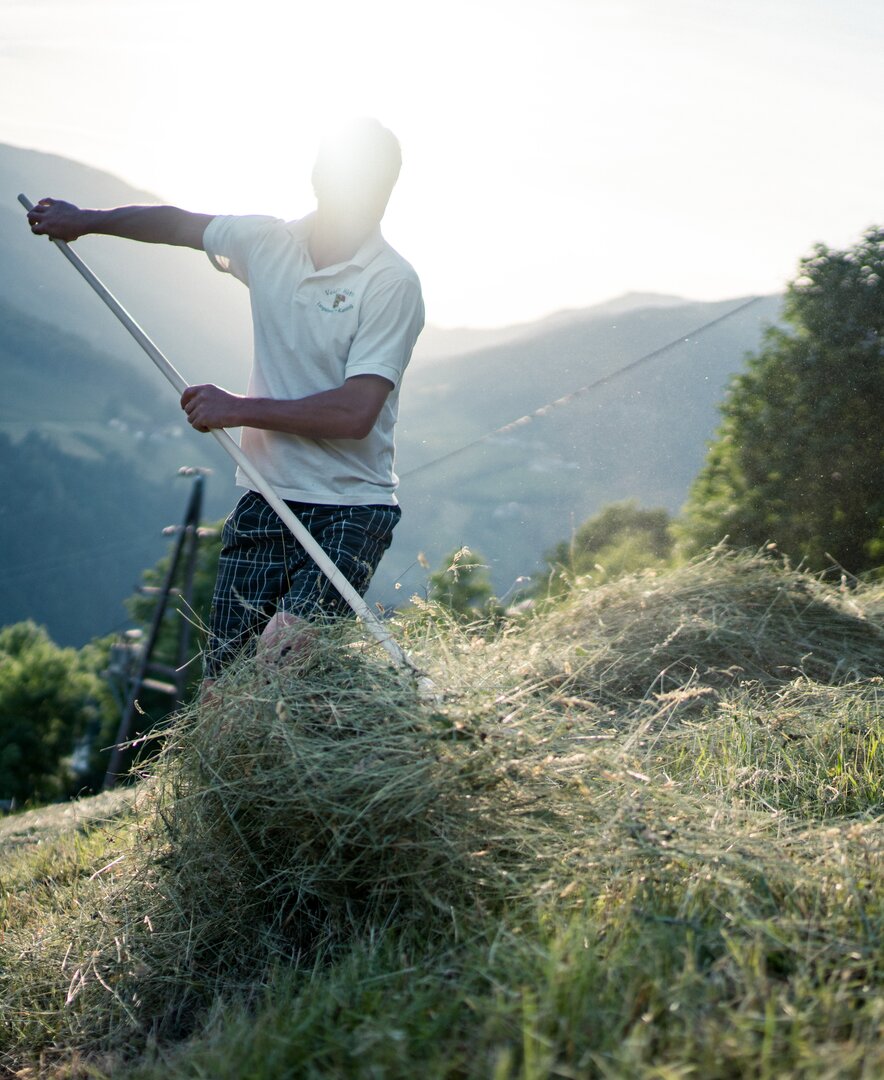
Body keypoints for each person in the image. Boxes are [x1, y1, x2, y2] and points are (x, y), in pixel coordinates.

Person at [27, 118, 424, 685]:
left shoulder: (391, 283)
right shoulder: (266, 242)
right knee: (224, 691)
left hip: (351, 509)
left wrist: (237, 408)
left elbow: (354, 414)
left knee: (283, 661)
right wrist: (86, 221)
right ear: (319, 177)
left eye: (378, 183)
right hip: (264, 498)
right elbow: (178, 225)